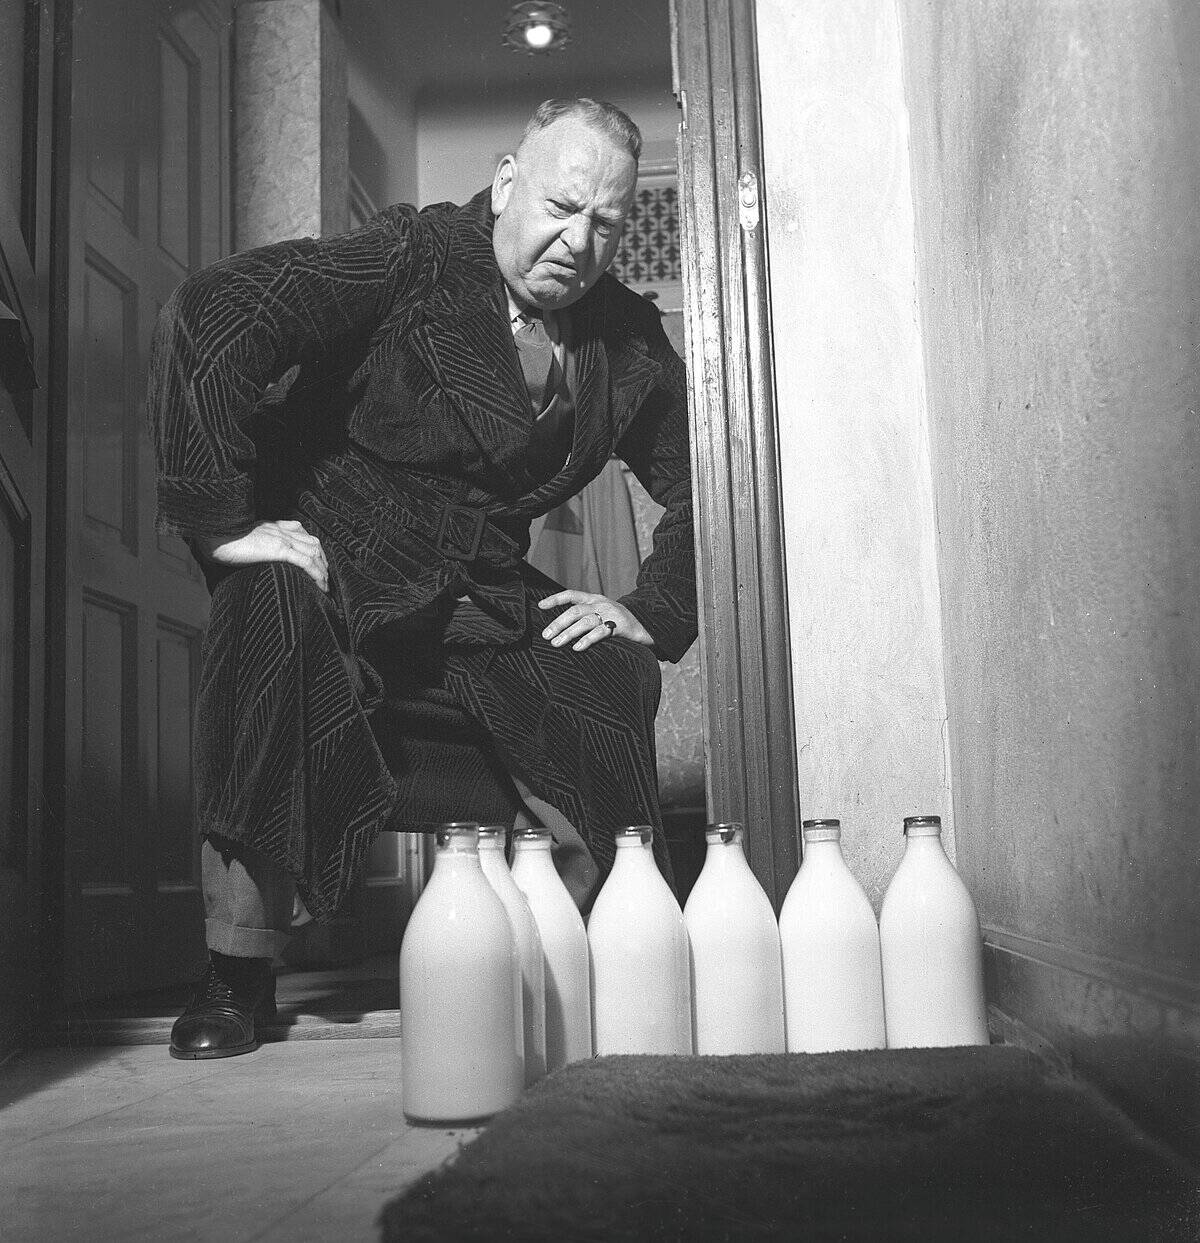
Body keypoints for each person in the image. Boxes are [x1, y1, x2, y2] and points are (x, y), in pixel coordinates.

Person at [149, 98, 696, 1059]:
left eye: (606, 223)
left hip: (475, 592)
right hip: (341, 560)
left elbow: (713, 475)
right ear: (507, 182)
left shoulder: (627, 338)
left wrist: (652, 609)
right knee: (266, 603)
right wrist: (224, 524)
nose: (579, 243)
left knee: (603, 666)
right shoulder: (412, 256)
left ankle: (569, 943)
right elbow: (218, 310)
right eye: (561, 206)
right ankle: (237, 970)